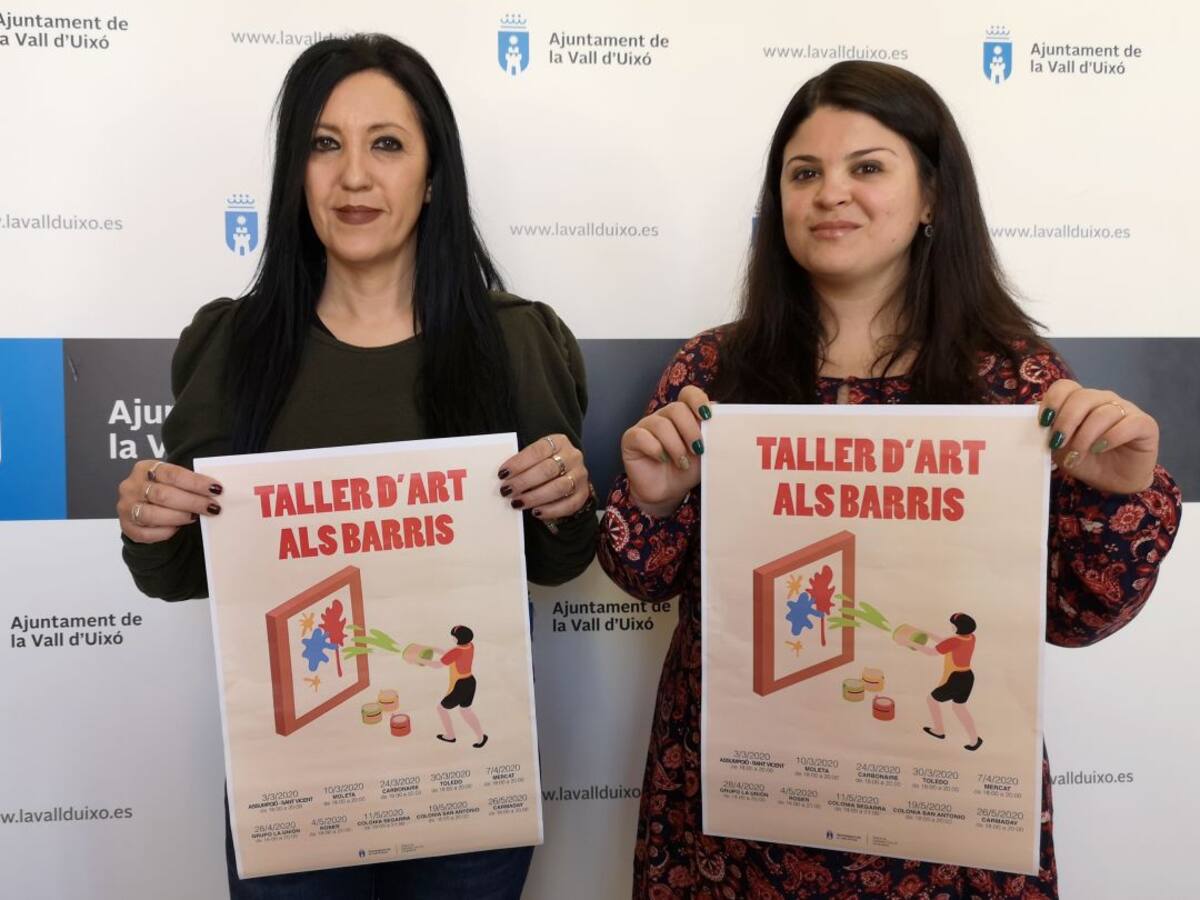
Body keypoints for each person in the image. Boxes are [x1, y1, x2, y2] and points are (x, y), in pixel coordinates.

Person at [597, 61, 1181, 898]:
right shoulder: (715, 370)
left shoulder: (1013, 383)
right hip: (741, 806)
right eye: (804, 173)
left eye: (866, 167)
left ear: (932, 196)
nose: (831, 193)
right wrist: (654, 504)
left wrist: (1115, 496)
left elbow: (1078, 616)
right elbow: (645, 578)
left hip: (938, 824)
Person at [116, 33, 597, 900]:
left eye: (386, 144)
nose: (353, 177)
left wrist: (566, 502)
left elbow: (557, 564)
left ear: (433, 173)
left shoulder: (515, 340)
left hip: (465, 796)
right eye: (323, 144)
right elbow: (181, 574)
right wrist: (152, 523)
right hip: (293, 779)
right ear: (294, 175)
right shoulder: (233, 345)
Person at [916, 612, 981, 751]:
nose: (951, 626)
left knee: (932, 700)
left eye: (953, 625)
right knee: (959, 707)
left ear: (958, 628)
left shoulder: (954, 641)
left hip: (955, 678)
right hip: (968, 677)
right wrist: (927, 634)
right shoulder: (971, 637)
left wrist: (911, 644)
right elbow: (945, 643)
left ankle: (939, 730)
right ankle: (974, 740)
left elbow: (932, 652)